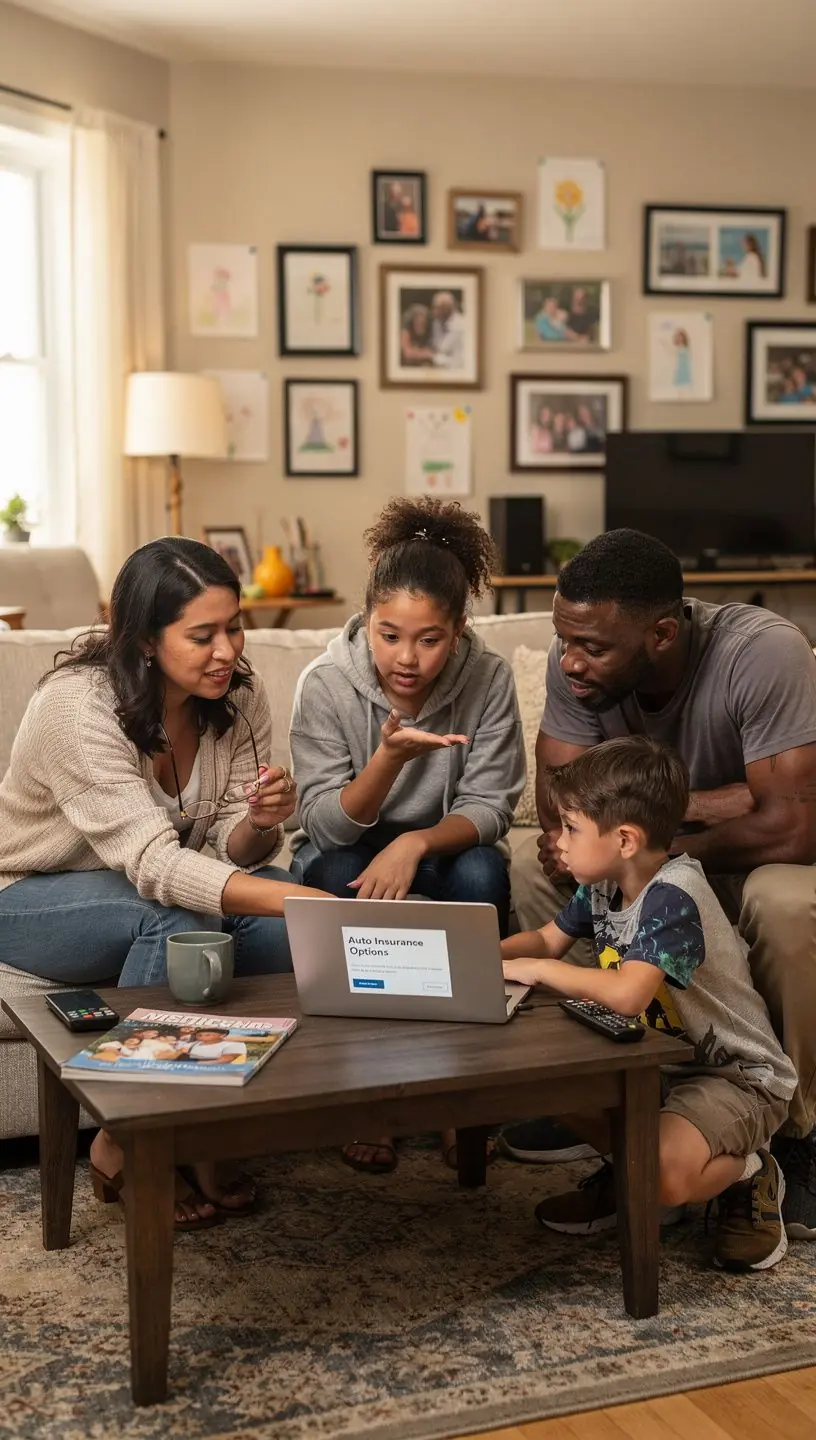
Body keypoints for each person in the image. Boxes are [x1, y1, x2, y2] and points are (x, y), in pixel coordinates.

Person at [0, 536, 326, 1228]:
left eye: (234, 626)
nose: (228, 650)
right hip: (28, 897)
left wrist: (264, 822)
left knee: (287, 944)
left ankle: (215, 1125)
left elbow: (229, 851)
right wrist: (300, 897)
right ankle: (131, 1138)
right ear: (146, 639)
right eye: (202, 635)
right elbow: (158, 867)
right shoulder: (77, 708)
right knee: (181, 925)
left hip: (152, 891)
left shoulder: (238, 697)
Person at [502, 529, 816, 1241]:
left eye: (593, 649)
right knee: (527, 862)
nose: (569, 662)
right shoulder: (577, 658)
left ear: (664, 634)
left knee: (784, 900)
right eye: (563, 641)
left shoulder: (761, 652)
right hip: (645, 854)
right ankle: (608, 1078)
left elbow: (792, 827)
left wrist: (663, 844)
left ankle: (789, 1138)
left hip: (748, 864)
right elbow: (558, 795)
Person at [289, 497, 525, 1173]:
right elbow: (324, 824)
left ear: (458, 630)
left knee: (484, 876)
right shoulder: (327, 683)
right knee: (334, 880)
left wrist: (416, 841)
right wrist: (389, 759)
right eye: (388, 634)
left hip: (444, 853)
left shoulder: (488, 679)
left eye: (430, 639)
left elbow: (491, 807)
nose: (408, 659)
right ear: (366, 620)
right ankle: (368, 1100)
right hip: (349, 854)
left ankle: (460, 1103)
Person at [502, 737, 795, 1272]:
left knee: (661, 1177)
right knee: (540, 1083)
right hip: (656, 1064)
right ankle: (634, 1174)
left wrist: (538, 971)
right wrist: (470, 953)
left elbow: (628, 992)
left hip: (736, 1078)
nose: (558, 840)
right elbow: (545, 940)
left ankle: (750, 1170)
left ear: (626, 839)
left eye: (571, 828)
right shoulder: (603, 884)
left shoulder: (673, 895)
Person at [430, 291, 466, 370]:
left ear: (448, 309)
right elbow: (436, 348)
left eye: (438, 308)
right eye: (434, 307)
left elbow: (460, 361)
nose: (434, 312)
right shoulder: (437, 323)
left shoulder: (461, 325)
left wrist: (434, 357)